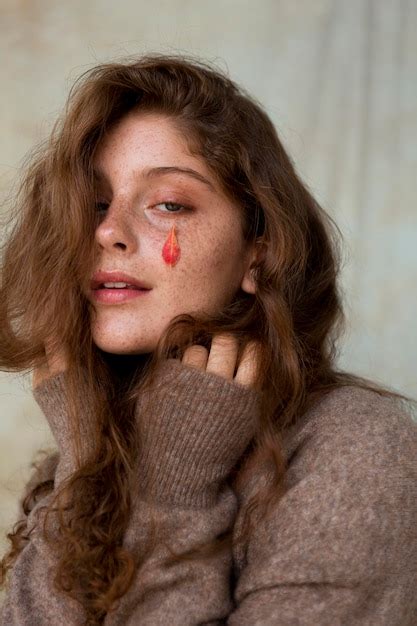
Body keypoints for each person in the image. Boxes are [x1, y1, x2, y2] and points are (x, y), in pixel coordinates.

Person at [0, 52, 416, 626]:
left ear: (257, 252)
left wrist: (173, 497)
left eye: (169, 203)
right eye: (93, 204)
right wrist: (83, 464)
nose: (107, 232)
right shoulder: (85, 441)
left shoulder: (357, 446)